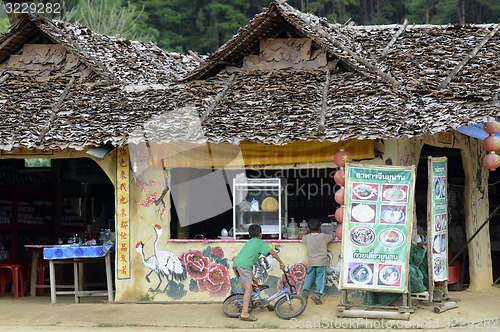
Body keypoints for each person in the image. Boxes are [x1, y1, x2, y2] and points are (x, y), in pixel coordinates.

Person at [233, 224, 285, 321]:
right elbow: (273, 253)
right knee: (249, 289)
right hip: (244, 266)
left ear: (249, 235)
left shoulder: (249, 243)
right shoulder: (261, 243)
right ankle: (244, 313)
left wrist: (252, 276)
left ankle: (247, 303)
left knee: (250, 285)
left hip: (237, 264)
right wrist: (281, 262)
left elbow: (247, 261)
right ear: (260, 234)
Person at [301, 219, 334, 305]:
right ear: (320, 228)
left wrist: (306, 231)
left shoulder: (307, 237)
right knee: (320, 279)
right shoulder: (323, 236)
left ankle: (305, 291)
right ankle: (317, 296)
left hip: (311, 262)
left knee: (309, 277)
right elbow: (332, 236)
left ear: (308, 228)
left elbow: (302, 237)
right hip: (321, 263)